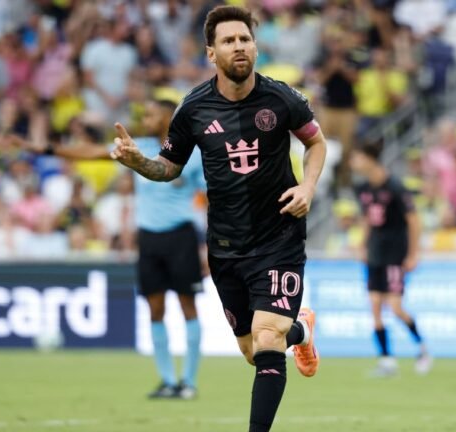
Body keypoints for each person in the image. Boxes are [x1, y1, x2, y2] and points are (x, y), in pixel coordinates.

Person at [110, 6, 325, 432]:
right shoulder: (193, 109)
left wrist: (308, 187)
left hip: (279, 238)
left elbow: (316, 143)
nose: (239, 47)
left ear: (255, 47)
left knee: (268, 338)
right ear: (212, 53)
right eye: (229, 41)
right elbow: (168, 169)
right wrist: (139, 163)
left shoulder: (282, 98)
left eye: (245, 39)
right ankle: (301, 331)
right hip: (226, 247)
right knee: (253, 351)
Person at [20, 98, 206, 400]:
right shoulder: (138, 146)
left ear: (168, 119)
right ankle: (167, 380)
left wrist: (208, 244)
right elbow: (93, 152)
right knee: (155, 309)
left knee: (188, 307)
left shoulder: (192, 154)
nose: (145, 120)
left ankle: (189, 381)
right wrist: (48, 150)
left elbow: (210, 197)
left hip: (181, 237)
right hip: (149, 238)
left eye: (151, 115)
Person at [349, 142, 432, 377]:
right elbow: (368, 219)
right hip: (375, 253)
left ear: (369, 158)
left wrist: (413, 253)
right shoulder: (363, 188)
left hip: (395, 253)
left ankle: (422, 349)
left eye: (357, 157)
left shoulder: (395, 186)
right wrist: (362, 245)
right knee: (375, 305)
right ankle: (386, 360)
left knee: (395, 307)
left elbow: (413, 221)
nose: (353, 163)